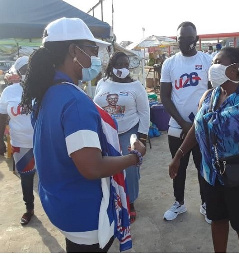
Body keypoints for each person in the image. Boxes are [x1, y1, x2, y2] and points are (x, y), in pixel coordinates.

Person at [20, 17, 146, 253]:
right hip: (85, 216)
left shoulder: (47, 93)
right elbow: (92, 168)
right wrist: (134, 158)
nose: (95, 56)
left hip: (62, 205)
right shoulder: (74, 102)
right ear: (73, 51)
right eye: (91, 49)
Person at [169, 45, 239, 252]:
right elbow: (197, 127)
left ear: (234, 68)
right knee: (217, 221)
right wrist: (179, 154)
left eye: (218, 62)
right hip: (211, 175)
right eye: (212, 63)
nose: (213, 67)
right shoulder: (208, 96)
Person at [160, 21, 212, 223]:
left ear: (196, 40)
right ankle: (178, 203)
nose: (185, 42)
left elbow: (213, 93)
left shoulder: (207, 60)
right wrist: (183, 123)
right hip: (177, 126)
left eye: (189, 38)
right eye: (181, 38)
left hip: (202, 126)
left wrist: (199, 121)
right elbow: (165, 96)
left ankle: (206, 203)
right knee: (178, 167)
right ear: (177, 40)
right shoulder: (170, 63)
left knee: (203, 167)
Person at [94, 51, 150, 224]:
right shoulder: (102, 83)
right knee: (106, 165)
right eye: (119, 65)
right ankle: (112, 198)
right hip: (106, 132)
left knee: (130, 167)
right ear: (112, 66)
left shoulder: (136, 86)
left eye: (126, 65)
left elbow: (145, 112)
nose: (123, 69)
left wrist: (142, 138)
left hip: (129, 129)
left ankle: (130, 201)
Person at [0, 56, 36, 226]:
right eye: (24, 70)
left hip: (43, 142)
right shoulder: (9, 92)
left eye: (30, 69)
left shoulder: (44, 89)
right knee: (26, 178)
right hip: (20, 143)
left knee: (51, 177)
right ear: (18, 72)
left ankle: (57, 209)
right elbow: (2, 116)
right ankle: (29, 209)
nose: (27, 73)